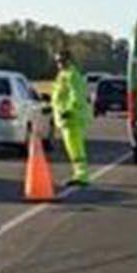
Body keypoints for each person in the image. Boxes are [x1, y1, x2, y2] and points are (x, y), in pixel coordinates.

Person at [50, 50, 91, 185]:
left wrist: (68, 110)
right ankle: (79, 174)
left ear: (69, 60)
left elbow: (76, 95)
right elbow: (60, 96)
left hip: (73, 118)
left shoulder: (72, 75)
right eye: (57, 61)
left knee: (76, 149)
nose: (59, 64)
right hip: (67, 119)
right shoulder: (63, 75)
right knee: (73, 149)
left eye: (61, 61)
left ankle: (82, 176)